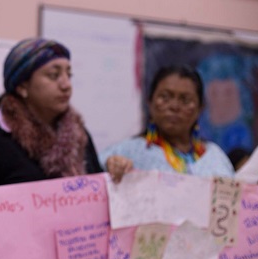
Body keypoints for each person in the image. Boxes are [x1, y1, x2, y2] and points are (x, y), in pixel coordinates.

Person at [0, 38, 103, 189]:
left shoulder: (79, 137)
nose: (66, 85)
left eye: (69, 75)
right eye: (54, 75)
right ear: (22, 86)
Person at [101, 64, 235, 183]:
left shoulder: (215, 157)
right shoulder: (128, 151)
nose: (174, 106)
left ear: (200, 108)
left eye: (185, 100)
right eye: (164, 97)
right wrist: (111, 166)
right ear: (150, 102)